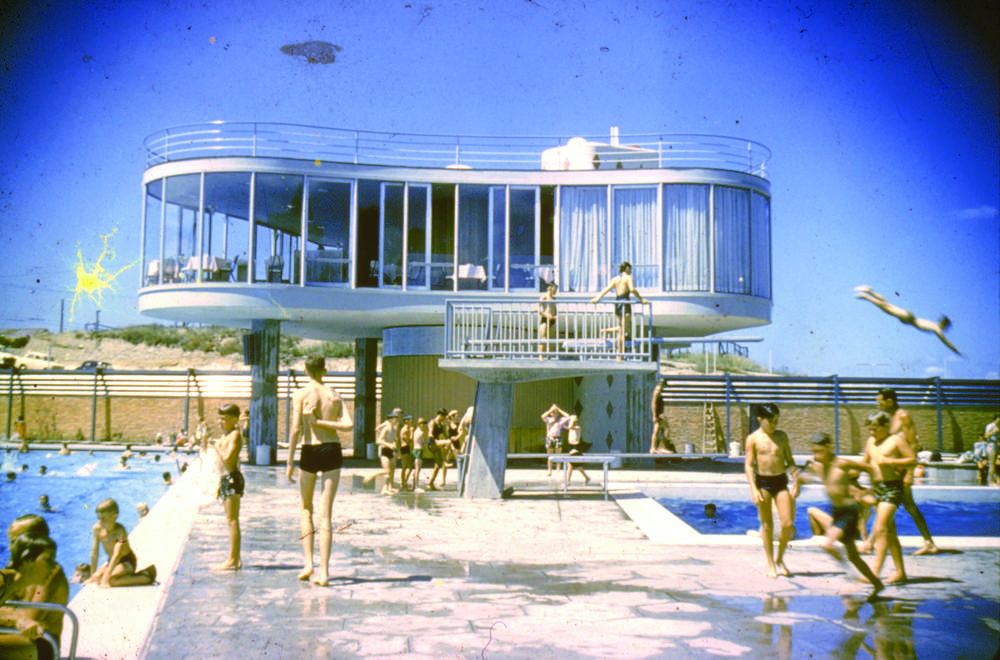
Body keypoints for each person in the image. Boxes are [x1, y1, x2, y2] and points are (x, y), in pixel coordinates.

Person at [286, 354, 353, 586]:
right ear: (325, 370)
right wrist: (323, 422)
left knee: (306, 509)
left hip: (310, 449)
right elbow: (348, 425)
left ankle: (308, 564)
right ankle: (323, 573)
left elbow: (295, 430)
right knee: (326, 514)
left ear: (305, 370)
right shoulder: (334, 395)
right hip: (332, 449)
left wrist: (289, 461)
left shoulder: (300, 394)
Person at [801, 433, 884, 600]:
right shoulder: (818, 466)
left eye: (819, 451)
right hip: (837, 511)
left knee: (829, 544)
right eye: (813, 452)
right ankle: (877, 584)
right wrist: (799, 480)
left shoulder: (842, 464)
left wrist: (873, 490)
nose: (816, 455)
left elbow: (870, 469)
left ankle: (850, 577)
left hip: (849, 512)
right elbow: (805, 479)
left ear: (829, 448)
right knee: (853, 556)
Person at [867, 388, 939, 555]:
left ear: (890, 401)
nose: (878, 405)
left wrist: (908, 473)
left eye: (880, 401)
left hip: (901, 471)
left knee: (896, 506)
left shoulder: (903, 417)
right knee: (903, 506)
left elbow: (913, 444)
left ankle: (871, 543)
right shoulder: (888, 418)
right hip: (892, 471)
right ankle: (928, 542)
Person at [744, 402, 799, 578]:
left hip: (780, 482)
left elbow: (790, 461)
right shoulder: (753, 438)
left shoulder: (782, 437)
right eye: (771, 421)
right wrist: (753, 488)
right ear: (761, 419)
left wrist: (796, 480)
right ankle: (770, 564)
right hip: (763, 483)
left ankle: (780, 559)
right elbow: (748, 465)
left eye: (776, 421)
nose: (775, 425)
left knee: (787, 523)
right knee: (767, 525)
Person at [0, 521, 69, 660]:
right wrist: (16, 618)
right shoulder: (12, 577)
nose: (10, 548)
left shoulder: (51, 573)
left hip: (40, 643)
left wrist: (14, 618)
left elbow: (32, 622)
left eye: (15, 541)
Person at [861, 410, 915, 584]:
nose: (872, 432)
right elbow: (865, 462)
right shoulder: (871, 441)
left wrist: (891, 462)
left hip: (892, 487)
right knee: (890, 532)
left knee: (881, 528)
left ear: (885, 426)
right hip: (877, 488)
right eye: (870, 429)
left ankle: (874, 572)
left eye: (875, 429)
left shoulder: (895, 440)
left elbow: (912, 459)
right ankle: (900, 572)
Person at [854, 285, 961, 356]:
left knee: (886, 304)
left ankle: (869, 291)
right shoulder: (937, 329)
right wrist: (956, 351)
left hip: (909, 316)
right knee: (885, 308)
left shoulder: (934, 325)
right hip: (909, 318)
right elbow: (946, 342)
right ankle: (866, 296)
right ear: (944, 325)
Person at [86, 498, 156, 588]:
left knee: (112, 580)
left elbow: (117, 554)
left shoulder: (120, 531)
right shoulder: (97, 529)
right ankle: (126, 575)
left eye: (103, 518)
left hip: (126, 561)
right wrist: (92, 576)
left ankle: (145, 577)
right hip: (111, 561)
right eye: (98, 518)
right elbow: (94, 553)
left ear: (114, 517)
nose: (100, 521)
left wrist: (105, 579)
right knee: (96, 578)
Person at [212, 404, 244, 571]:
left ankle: (233, 560)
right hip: (226, 479)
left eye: (224, 419)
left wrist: (216, 447)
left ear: (233, 419)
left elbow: (228, 458)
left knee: (232, 521)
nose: (220, 422)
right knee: (230, 520)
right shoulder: (226, 435)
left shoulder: (235, 435)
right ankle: (234, 559)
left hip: (232, 478)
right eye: (219, 418)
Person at [591, 261, 645, 358]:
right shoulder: (628, 278)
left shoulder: (616, 279)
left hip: (618, 302)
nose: (631, 270)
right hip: (625, 302)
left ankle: (608, 334)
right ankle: (619, 354)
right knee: (623, 329)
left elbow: (606, 289)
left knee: (623, 327)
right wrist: (641, 299)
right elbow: (632, 289)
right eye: (630, 268)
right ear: (627, 268)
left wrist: (597, 298)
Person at [365, 409, 401, 495]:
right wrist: (388, 444)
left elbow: (396, 440)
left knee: (392, 471)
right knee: (387, 471)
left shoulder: (394, 430)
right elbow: (379, 441)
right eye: (395, 418)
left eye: (397, 418)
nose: (397, 420)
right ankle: (372, 475)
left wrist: (398, 450)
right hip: (385, 451)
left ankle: (386, 489)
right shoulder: (386, 429)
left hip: (391, 451)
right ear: (390, 420)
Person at [541, 404, 570, 477]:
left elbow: (568, 416)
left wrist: (559, 410)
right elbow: (543, 416)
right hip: (550, 438)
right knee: (550, 455)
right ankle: (549, 470)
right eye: (553, 413)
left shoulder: (560, 420)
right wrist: (551, 410)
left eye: (555, 413)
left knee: (558, 455)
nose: (554, 414)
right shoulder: (548, 420)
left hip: (557, 438)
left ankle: (558, 470)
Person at [426, 409, 451, 490]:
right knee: (448, 443)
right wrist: (436, 441)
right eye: (444, 416)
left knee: (438, 465)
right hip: (432, 443)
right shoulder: (432, 422)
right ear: (440, 415)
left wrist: (447, 428)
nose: (445, 418)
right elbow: (430, 433)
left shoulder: (442, 424)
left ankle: (430, 484)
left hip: (436, 444)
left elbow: (447, 435)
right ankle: (445, 461)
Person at [650, 379, 676, 454]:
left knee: (659, 430)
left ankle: (656, 447)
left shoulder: (658, 390)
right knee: (665, 429)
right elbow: (653, 403)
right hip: (658, 414)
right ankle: (658, 447)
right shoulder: (657, 390)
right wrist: (654, 415)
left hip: (659, 413)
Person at [564, 415, 591, 486]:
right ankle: (586, 477)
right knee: (575, 465)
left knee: (570, 464)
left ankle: (568, 482)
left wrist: (572, 418)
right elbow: (563, 425)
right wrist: (567, 418)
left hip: (576, 447)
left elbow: (570, 426)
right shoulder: (571, 428)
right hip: (571, 447)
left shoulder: (577, 427)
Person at [537, 281, 558, 356]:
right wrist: (546, 315)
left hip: (552, 320)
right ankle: (541, 356)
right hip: (545, 319)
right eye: (555, 289)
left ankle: (549, 356)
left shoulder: (554, 298)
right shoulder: (544, 297)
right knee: (543, 338)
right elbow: (537, 308)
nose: (556, 291)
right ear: (550, 288)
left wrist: (555, 316)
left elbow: (554, 309)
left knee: (551, 339)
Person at [410, 418, 429, 492]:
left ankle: (414, 485)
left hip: (415, 450)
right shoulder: (421, 432)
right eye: (423, 424)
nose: (424, 426)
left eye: (425, 424)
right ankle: (416, 487)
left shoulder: (415, 431)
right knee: (418, 469)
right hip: (419, 450)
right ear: (419, 424)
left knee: (416, 469)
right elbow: (423, 443)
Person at [398, 414, 415, 490]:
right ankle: (403, 482)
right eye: (410, 420)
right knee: (404, 467)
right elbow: (408, 441)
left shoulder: (407, 429)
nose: (412, 422)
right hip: (404, 448)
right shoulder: (404, 430)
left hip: (407, 448)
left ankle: (405, 481)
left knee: (411, 467)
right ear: (406, 421)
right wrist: (411, 432)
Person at [984, 413, 1000, 486]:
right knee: (992, 464)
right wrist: (994, 431)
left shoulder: (996, 426)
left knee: (994, 464)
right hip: (991, 445)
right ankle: (990, 481)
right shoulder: (990, 426)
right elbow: (986, 436)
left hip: (995, 444)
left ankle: (995, 480)